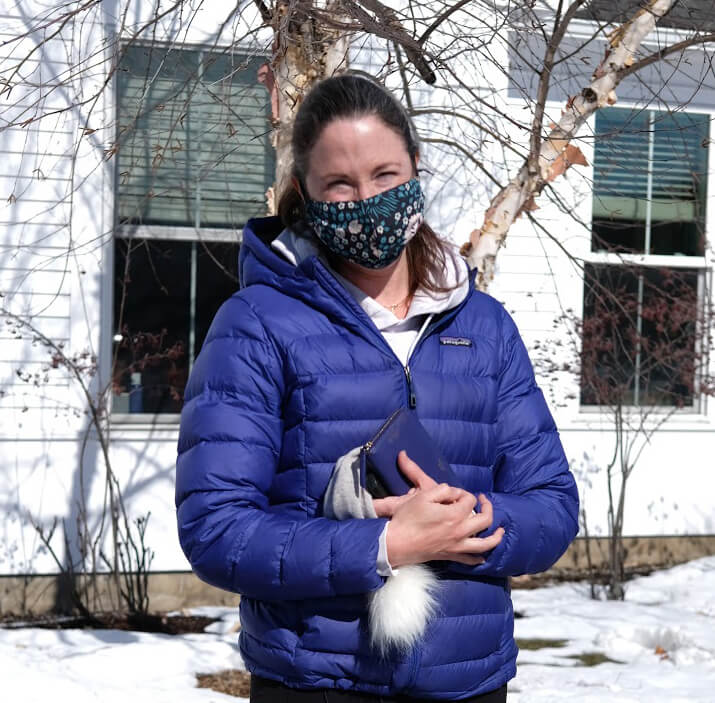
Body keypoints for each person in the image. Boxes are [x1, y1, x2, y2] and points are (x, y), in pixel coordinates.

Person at [175, 74, 579, 702]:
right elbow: (217, 529)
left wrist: (468, 525)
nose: (366, 200)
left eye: (386, 175)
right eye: (339, 184)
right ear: (304, 195)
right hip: (320, 681)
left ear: (415, 168)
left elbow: (552, 504)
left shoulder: (483, 325)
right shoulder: (257, 324)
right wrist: (384, 544)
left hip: (468, 681)